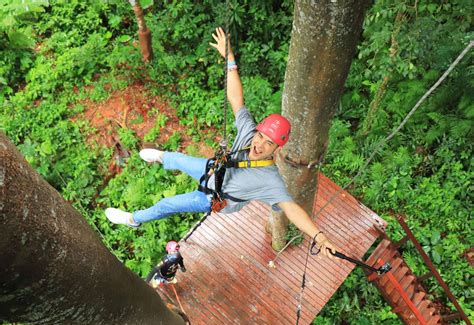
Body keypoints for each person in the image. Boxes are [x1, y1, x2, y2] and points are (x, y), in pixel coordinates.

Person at [105, 27, 336, 257]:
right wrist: (230, 58)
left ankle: (133, 219)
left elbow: (292, 209)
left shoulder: (270, 180)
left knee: (168, 205)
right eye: (261, 136)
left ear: (277, 149)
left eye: (269, 144)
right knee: (176, 158)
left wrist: (320, 236)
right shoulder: (248, 132)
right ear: (257, 131)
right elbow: (236, 98)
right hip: (213, 170)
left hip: (214, 199)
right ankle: (160, 157)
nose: (260, 145)